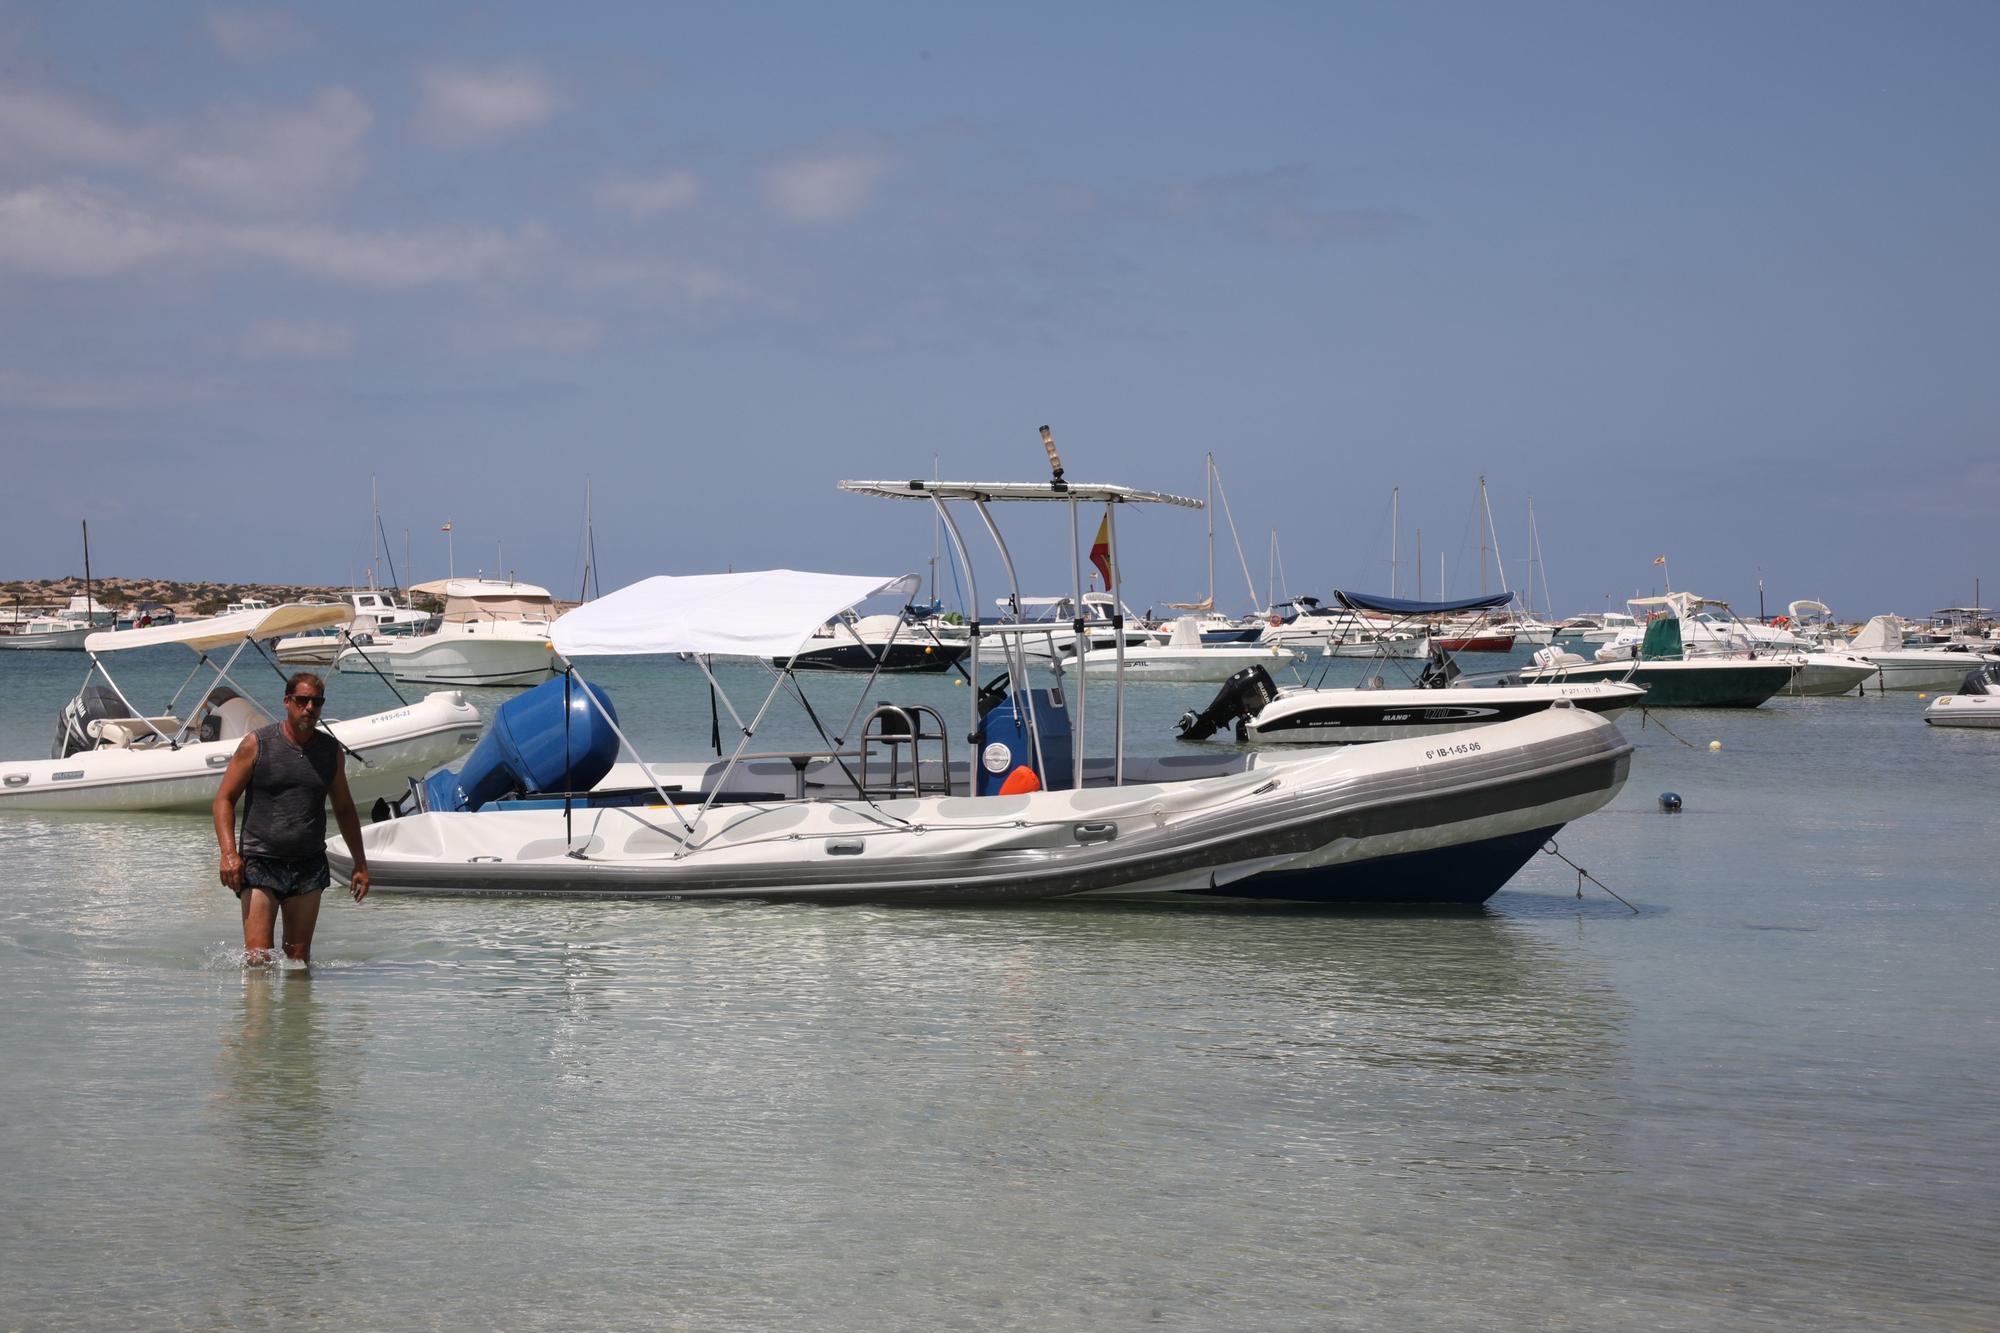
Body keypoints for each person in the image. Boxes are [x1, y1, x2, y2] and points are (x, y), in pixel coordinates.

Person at [211, 672, 370, 964]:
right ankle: (257, 1010)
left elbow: (345, 808)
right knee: (258, 959)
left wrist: (360, 863)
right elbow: (224, 799)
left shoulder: (330, 752)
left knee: (298, 960)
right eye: (302, 700)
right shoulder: (257, 744)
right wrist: (229, 854)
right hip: (261, 862)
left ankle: (296, 1011)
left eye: (316, 702)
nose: (310, 707)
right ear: (287, 702)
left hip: (308, 865)